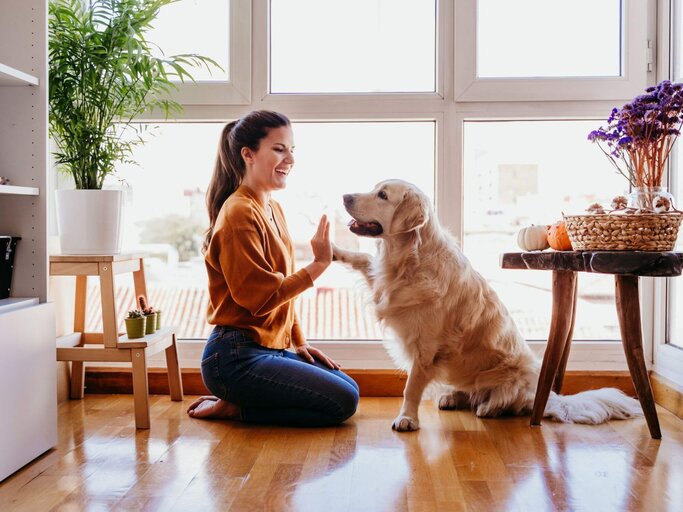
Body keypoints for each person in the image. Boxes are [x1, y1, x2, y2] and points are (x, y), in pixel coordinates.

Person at [187, 110, 359, 426]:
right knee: (342, 402)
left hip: (268, 347)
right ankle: (235, 407)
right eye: (279, 149)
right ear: (248, 154)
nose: (290, 159)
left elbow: (282, 294)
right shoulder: (238, 213)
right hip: (234, 357)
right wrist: (320, 264)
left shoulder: (271, 207)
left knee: (349, 387)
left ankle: (240, 402)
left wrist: (298, 341)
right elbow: (260, 299)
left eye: (292, 149)